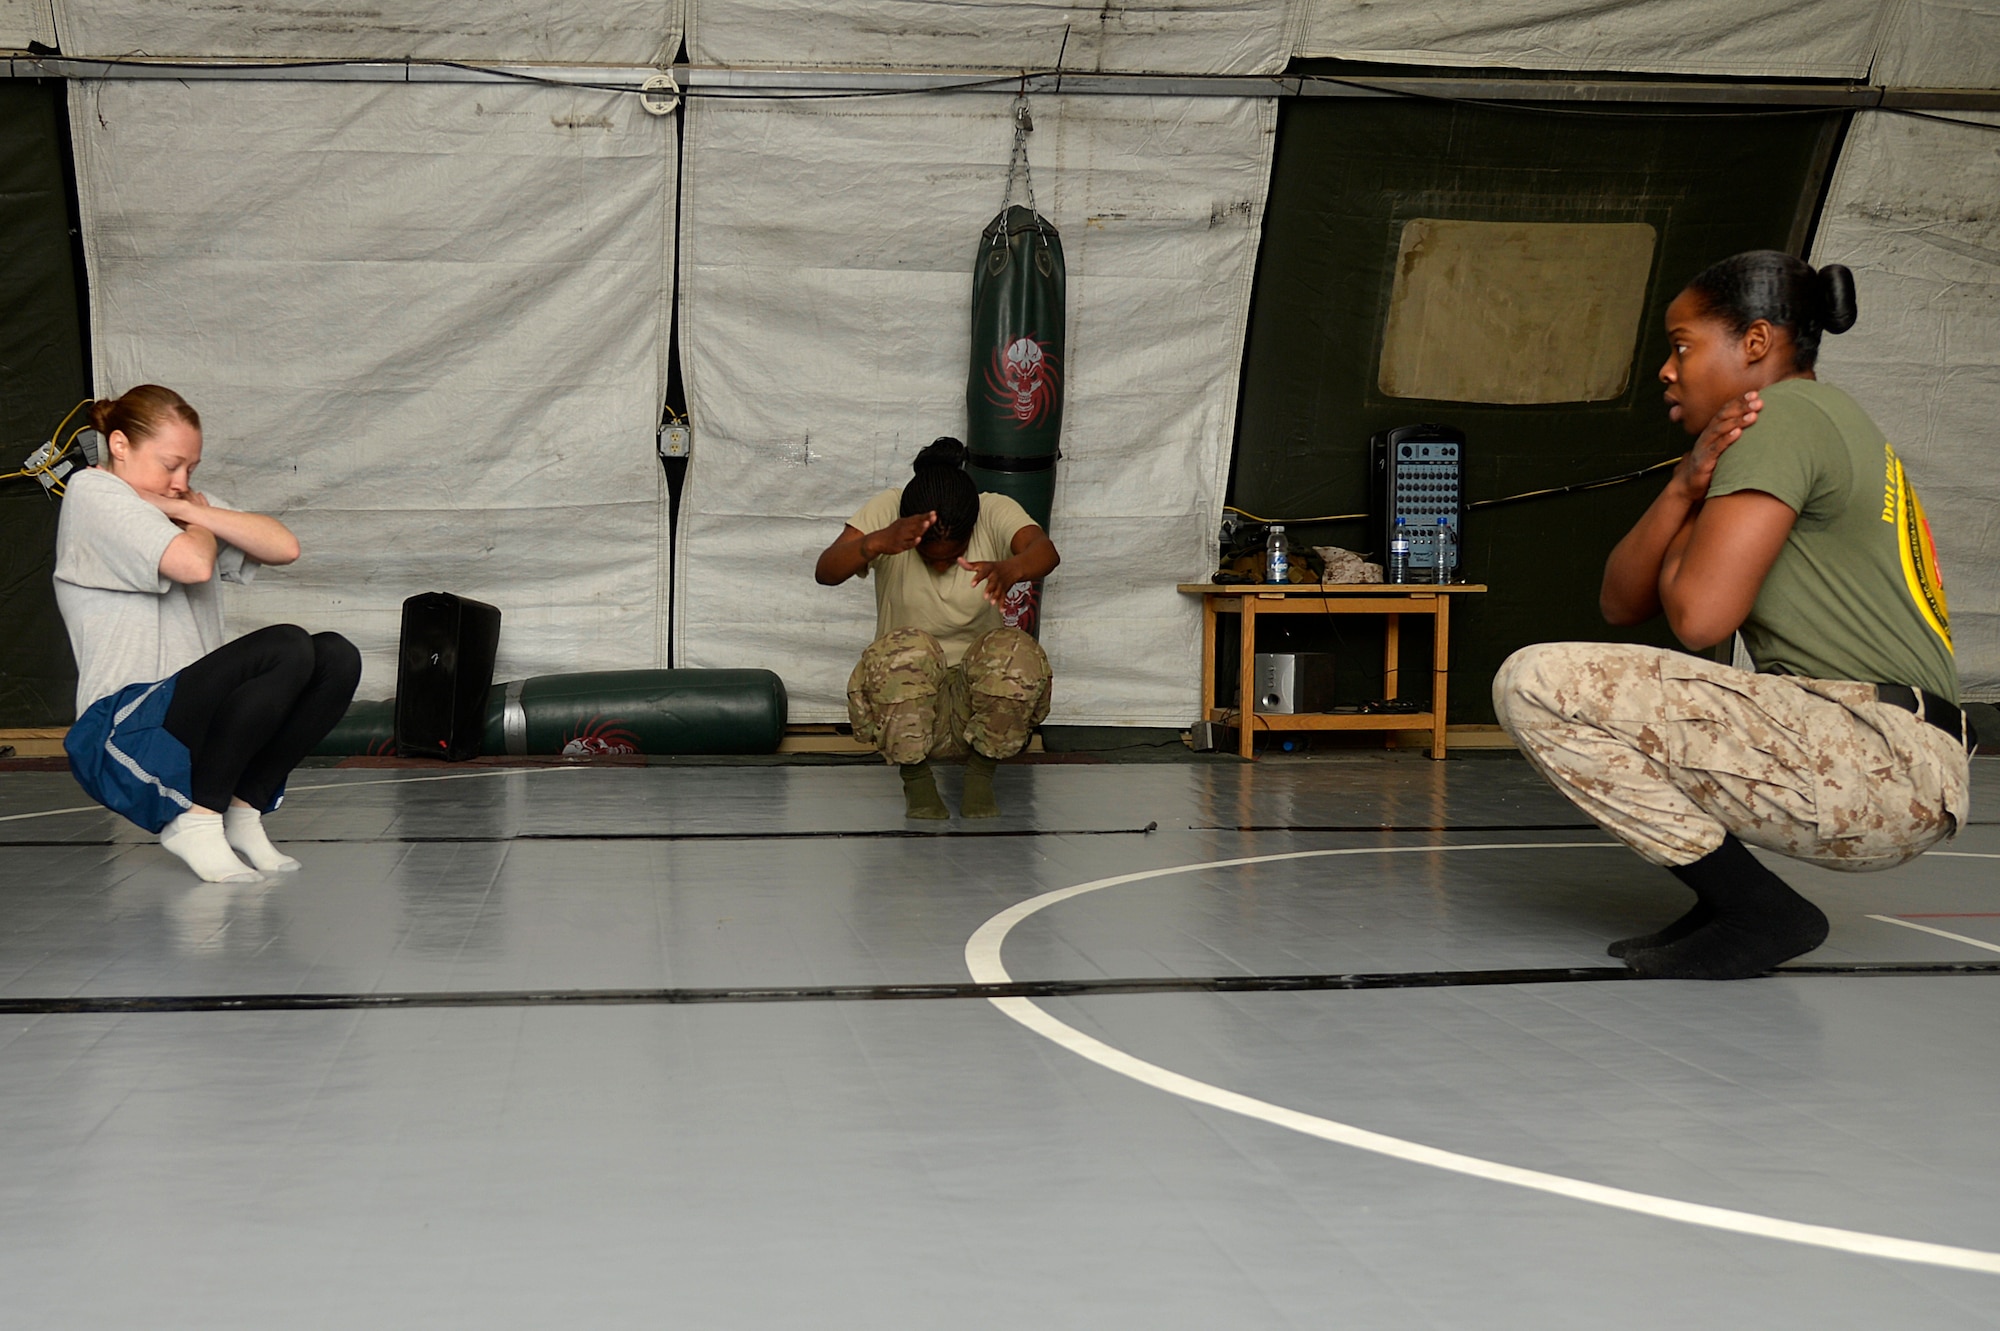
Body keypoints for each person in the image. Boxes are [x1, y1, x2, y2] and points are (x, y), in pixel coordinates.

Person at [1493, 251, 1973, 980]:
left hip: (1876, 753)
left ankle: (1756, 908)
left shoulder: (1783, 413)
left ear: (1756, 343)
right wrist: (1684, 487)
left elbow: (1700, 618)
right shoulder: (1805, 421)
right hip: (1890, 757)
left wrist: (1701, 494)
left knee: (1534, 681)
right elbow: (1621, 602)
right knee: (1585, 687)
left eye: (1682, 346)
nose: (1665, 369)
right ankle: (1728, 906)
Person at [54, 385, 361, 882]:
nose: (180, 482)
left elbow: (285, 547)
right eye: (170, 464)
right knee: (284, 645)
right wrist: (200, 521)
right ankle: (197, 822)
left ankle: (242, 810)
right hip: (120, 732)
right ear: (119, 446)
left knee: (334, 656)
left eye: (191, 470)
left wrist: (196, 511)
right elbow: (193, 563)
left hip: (189, 724)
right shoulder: (94, 495)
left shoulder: (178, 503)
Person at [815, 437, 1060, 819]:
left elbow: (1045, 551)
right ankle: (918, 783)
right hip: (908, 705)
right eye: (931, 558)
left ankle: (979, 778)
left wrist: (1011, 569)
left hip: (974, 703)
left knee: (1016, 651)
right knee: (906, 648)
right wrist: (874, 542)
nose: (943, 567)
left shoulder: (993, 509)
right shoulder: (887, 510)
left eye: (954, 556)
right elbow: (825, 571)